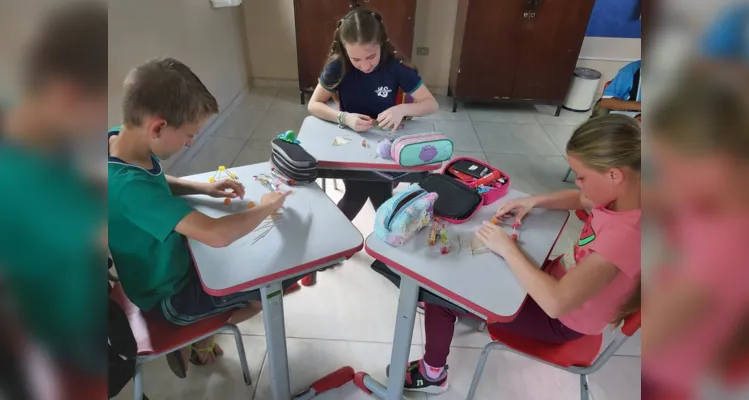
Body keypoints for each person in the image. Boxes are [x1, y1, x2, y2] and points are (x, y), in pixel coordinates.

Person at [388, 115, 642, 394]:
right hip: (556, 282)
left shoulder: (626, 237)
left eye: (581, 176)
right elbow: (582, 199)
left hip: (558, 319)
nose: (578, 183)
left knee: (442, 298)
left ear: (614, 175)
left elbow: (556, 303)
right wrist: (532, 200)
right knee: (484, 264)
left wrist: (508, 248)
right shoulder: (624, 196)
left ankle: (433, 374)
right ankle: (470, 310)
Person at [108, 57, 298, 378]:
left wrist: (204, 189)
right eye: (189, 134)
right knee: (266, 292)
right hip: (168, 299)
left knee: (243, 261)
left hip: (169, 270)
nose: (191, 142)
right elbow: (216, 234)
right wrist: (266, 207)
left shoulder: (119, 140)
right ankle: (198, 337)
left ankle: (199, 335)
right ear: (158, 127)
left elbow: (154, 183)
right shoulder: (127, 189)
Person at [0, 3, 108, 398]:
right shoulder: (15, 189)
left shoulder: (34, 129)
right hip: (63, 356)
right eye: (101, 111)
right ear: (68, 95)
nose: (102, 127)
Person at [642, 68, 749, 398]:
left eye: (670, 166)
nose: (666, 178)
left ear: (717, 162)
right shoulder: (722, 193)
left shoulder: (721, 253)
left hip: (666, 376)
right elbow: (668, 199)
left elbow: (650, 336)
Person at [307, 8, 438, 221]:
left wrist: (402, 109)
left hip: (384, 148)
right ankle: (369, 243)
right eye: (356, 59)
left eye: (371, 56)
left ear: (381, 44)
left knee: (373, 194)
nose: (365, 65)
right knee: (365, 194)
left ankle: (359, 244)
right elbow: (314, 104)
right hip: (352, 145)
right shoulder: (338, 66)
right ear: (345, 51)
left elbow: (431, 104)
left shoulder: (394, 67)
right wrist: (345, 118)